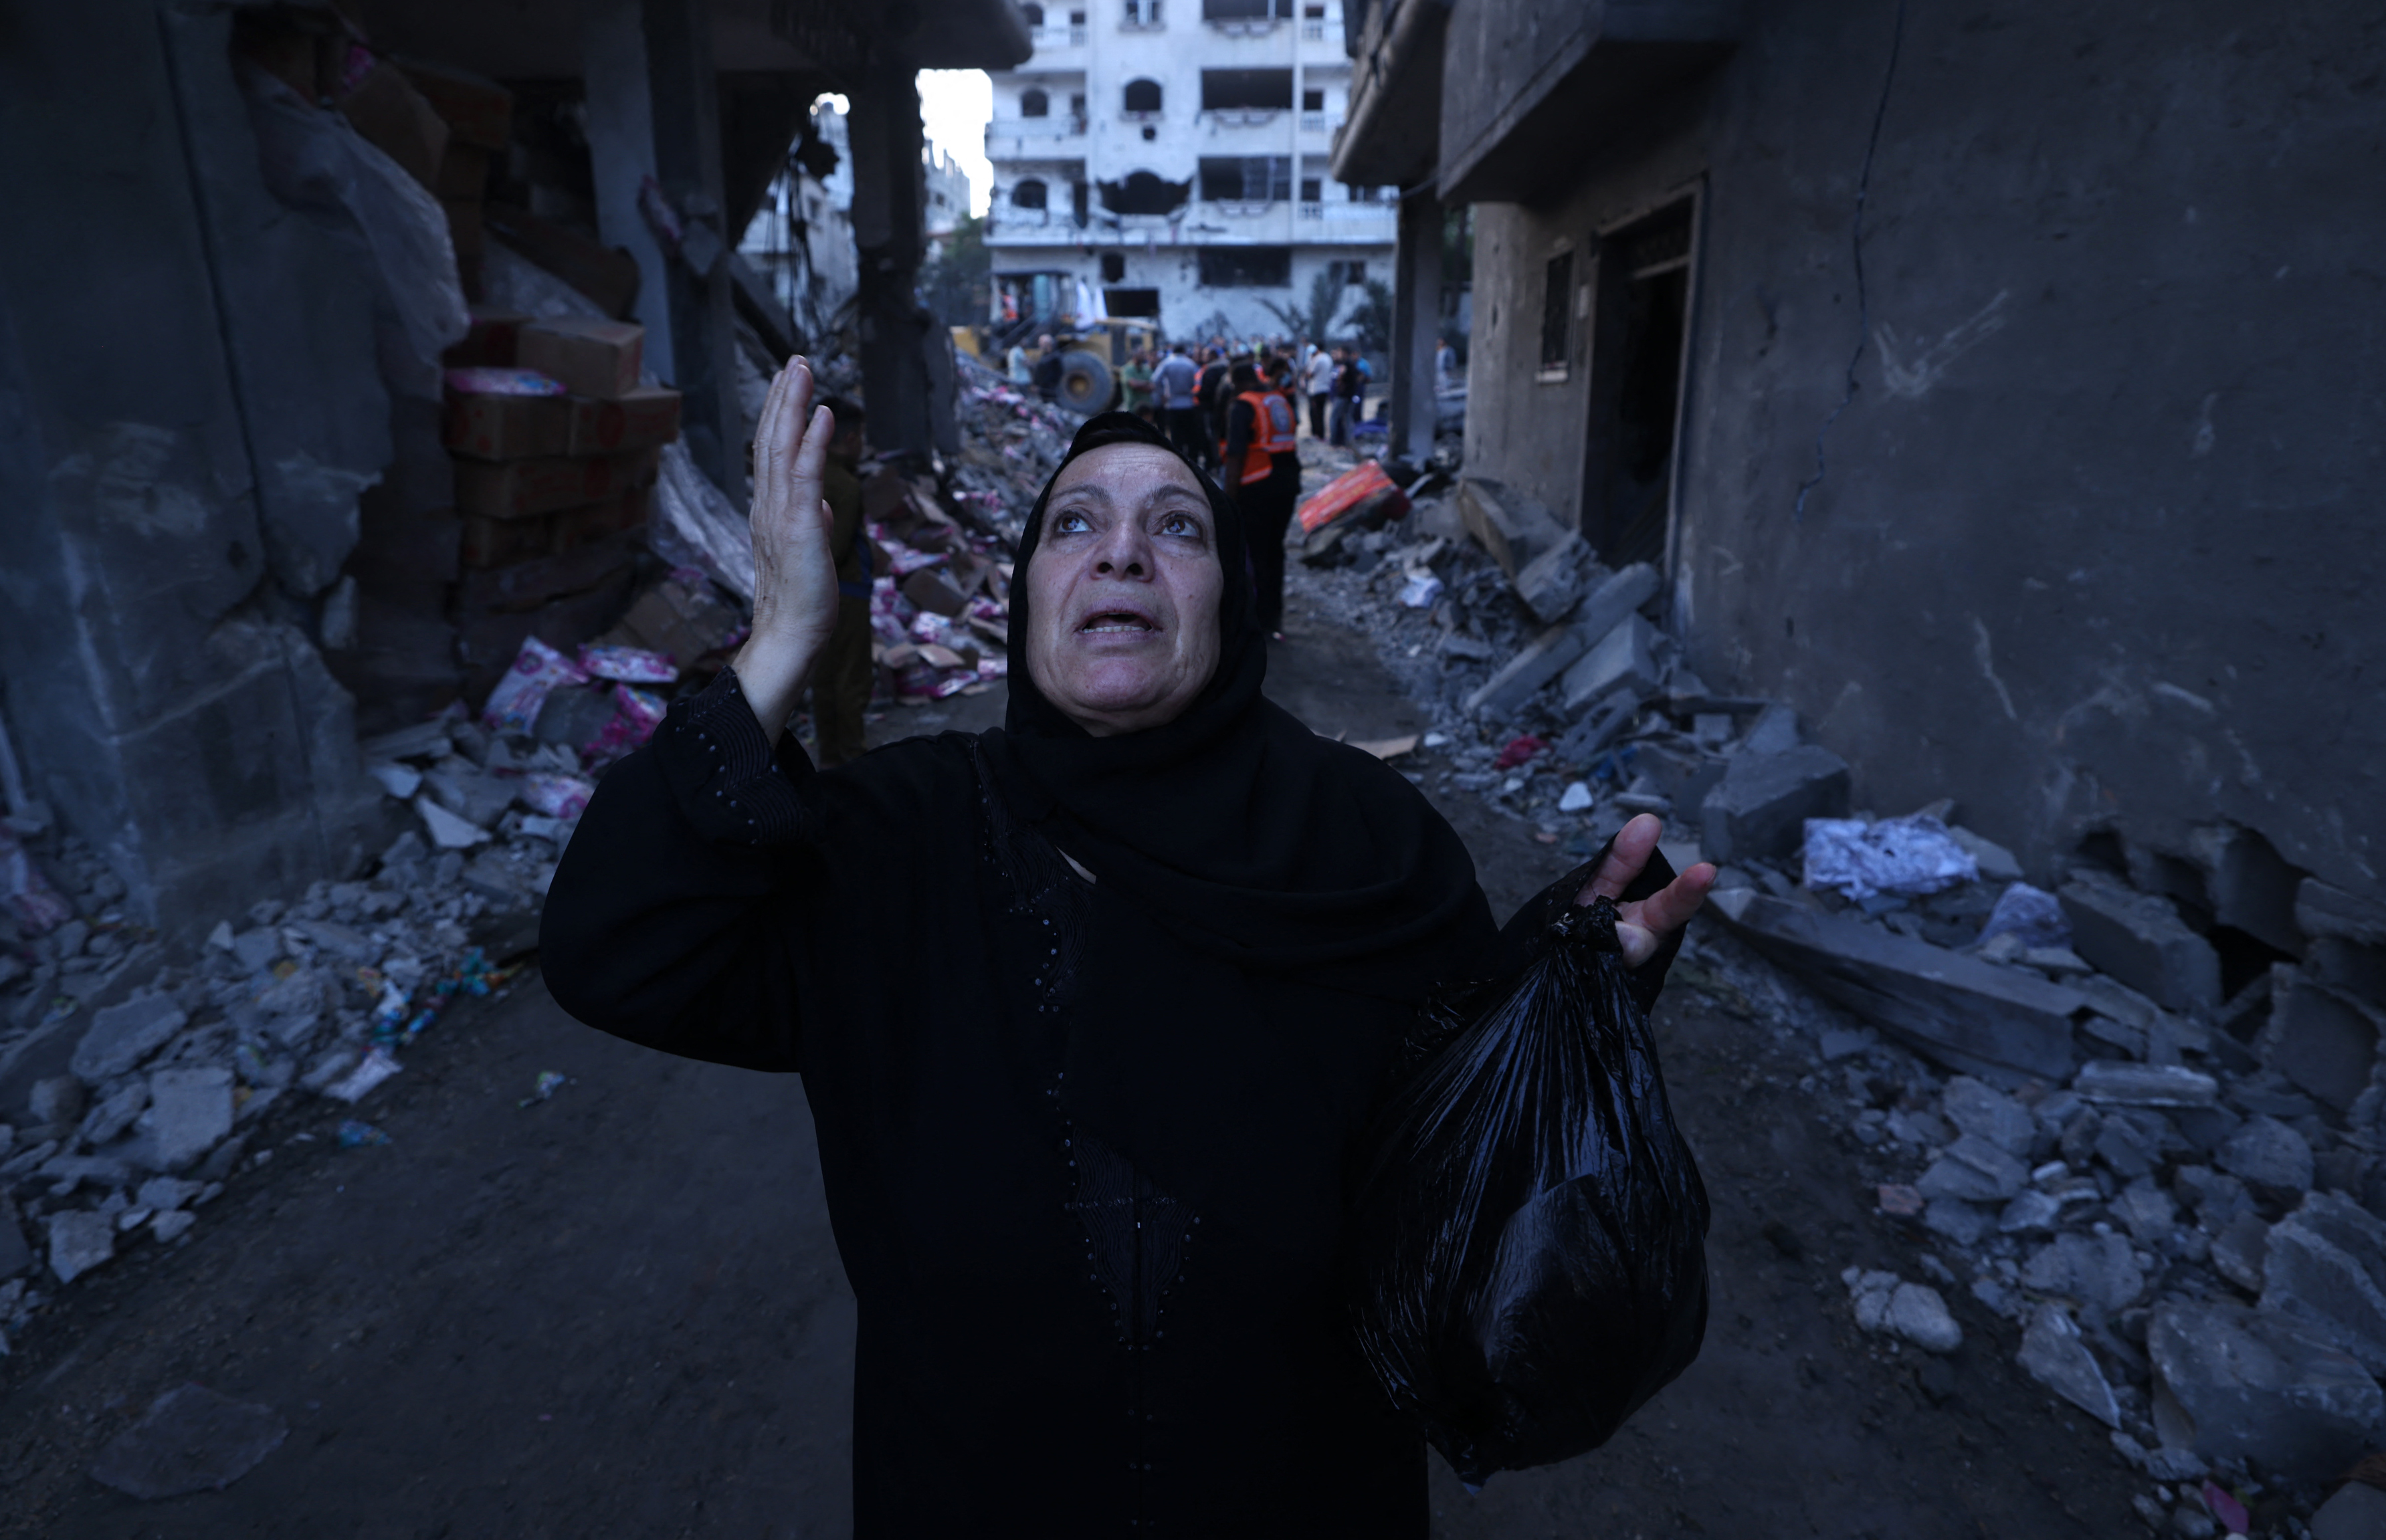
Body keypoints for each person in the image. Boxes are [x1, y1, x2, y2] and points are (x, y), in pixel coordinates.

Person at [540, 359, 1713, 1537]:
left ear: (1230, 593)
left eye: (1175, 527)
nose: (1119, 553)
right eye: (1073, 524)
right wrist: (784, 638)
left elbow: (1465, 1168)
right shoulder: (899, 838)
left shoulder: (1369, 844)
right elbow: (616, 947)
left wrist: (1558, 1007)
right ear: (1026, 594)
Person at [806, 397, 874, 765]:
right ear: (849, 439)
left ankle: (830, 759)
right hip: (845, 594)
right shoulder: (846, 486)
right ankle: (854, 762)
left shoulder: (807, 477)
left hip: (812, 595)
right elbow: (837, 547)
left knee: (826, 680)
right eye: (861, 436)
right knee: (852, 679)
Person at [1219, 359, 1301, 638]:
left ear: (1236, 382)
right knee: (1275, 551)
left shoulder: (1243, 406)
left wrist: (1228, 499)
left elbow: (1236, 454)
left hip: (1257, 486)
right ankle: (1273, 619)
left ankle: (1254, 621)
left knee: (1254, 555)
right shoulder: (1278, 399)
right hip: (1288, 484)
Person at [1152, 341, 1205, 469]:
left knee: (1176, 436)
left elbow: (1155, 380)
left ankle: (1179, 464)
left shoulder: (1167, 363)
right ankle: (1193, 463)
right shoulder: (1190, 364)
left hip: (1173, 404)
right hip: (1189, 403)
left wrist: (1162, 395)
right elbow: (1198, 382)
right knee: (1190, 436)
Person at [1302, 340, 1335, 440]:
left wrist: (1310, 360)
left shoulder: (1317, 359)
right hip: (1325, 388)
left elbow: (1309, 374)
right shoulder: (1328, 358)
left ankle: (1317, 434)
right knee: (1322, 413)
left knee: (1315, 414)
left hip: (1316, 390)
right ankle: (1322, 434)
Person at [1030, 333, 1066, 405]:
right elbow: (1039, 370)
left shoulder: (1055, 356)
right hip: (1043, 389)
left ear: (1047, 344)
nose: (1040, 345)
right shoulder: (1045, 355)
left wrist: (1045, 384)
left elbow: (1058, 373)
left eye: (1041, 343)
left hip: (1050, 389)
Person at [1119, 346, 1154, 418]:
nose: (1144, 355)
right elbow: (1133, 385)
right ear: (1135, 355)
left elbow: (1152, 387)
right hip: (1132, 408)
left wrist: (1139, 385)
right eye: (1142, 353)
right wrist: (1145, 383)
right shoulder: (1127, 369)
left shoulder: (1147, 369)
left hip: (1146, 409)